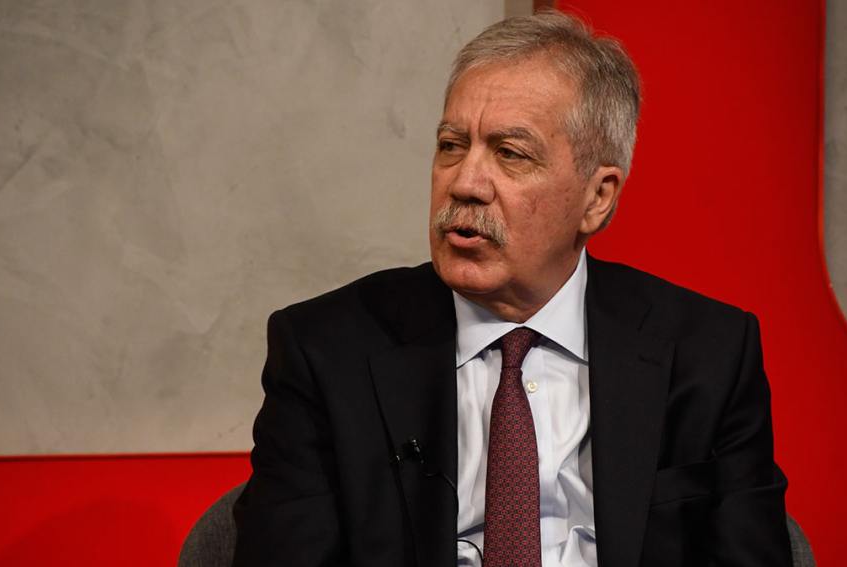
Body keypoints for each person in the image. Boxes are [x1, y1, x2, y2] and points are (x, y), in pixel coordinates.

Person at [233, 10, 791, 567]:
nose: (465, 183)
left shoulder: (707, 355)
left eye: (510, 153)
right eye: (452, 145)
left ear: (597, 198)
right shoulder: (326, 352)